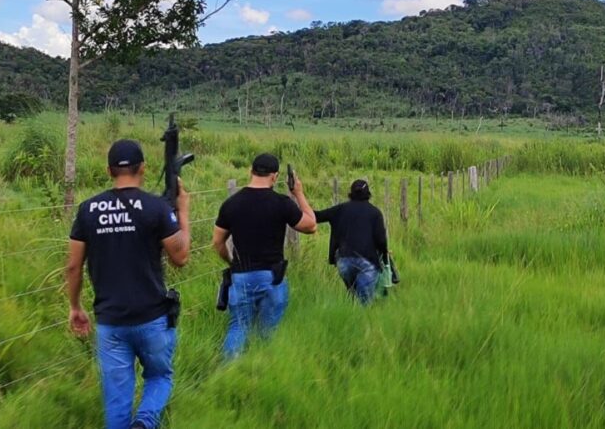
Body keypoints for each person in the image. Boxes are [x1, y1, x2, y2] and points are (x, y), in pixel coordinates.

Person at [65, 139, 191, 429]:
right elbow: (181, 256)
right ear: (143, 168)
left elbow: (73, 265)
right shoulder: (156, 208)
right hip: (152, 318)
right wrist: (183, 211)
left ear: (109, 171)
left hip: (110, 321)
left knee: (117, 397)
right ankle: (145, 423)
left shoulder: (87, 210)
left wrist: (75, 306)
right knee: (160, 377)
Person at [212, 153, 316, 359]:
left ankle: (229, 374)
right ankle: (264, 367)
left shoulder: (231, 204)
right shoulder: (282, 203)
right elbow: (311, 225)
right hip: (272, 276)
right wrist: (299, 193)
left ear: (250, 171)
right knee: (268, 333)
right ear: (275, 176)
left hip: (241, 276)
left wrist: (232, 262)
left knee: (238, 327)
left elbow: (217, 242)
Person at [314, 179, 388, 305]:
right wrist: (385, 258)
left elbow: (317, 216)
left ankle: (351, 316)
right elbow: (381, 240)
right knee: (363, 304)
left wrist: (299, 197)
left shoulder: (340, 209)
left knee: (353, 296)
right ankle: (363, 321)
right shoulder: (375, 213)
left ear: (351, 193)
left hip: (344, 261)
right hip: (367, 261)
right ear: (368, 193)